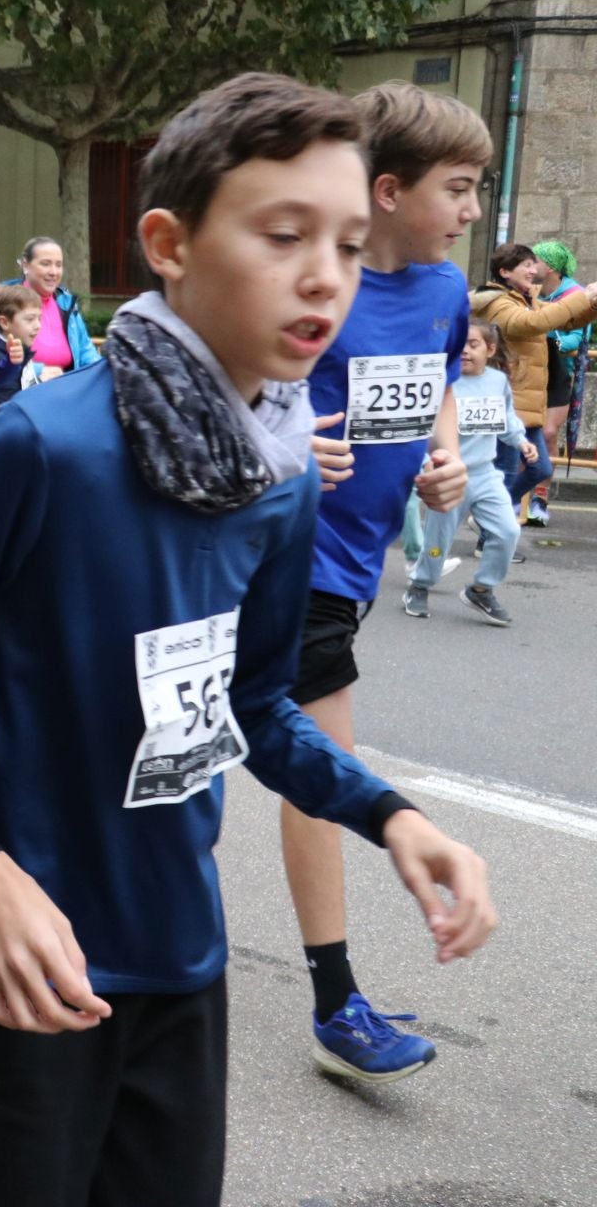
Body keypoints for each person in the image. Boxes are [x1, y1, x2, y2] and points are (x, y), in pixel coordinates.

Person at [0, 72, 497, 1207]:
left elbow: (258, 705)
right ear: (170, 243)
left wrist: (392, 815)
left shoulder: (279, 478)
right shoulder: (41, 449)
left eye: (345, 240)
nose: (325, 272)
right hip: (23, 957)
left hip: (181, 943)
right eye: (283, 235)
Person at [274, 79, 485, 1083]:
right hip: (282, 559)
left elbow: (439, 381)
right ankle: (333, 999)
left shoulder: (447, 290)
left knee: (179, 747)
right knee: (322, 771)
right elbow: (231, 390)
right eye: (462, 186)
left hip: (356, 563)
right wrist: (285, 452)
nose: (475, 209)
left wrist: (443, 459)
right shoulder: (320, 282)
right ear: (391, 189)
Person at [403, 317, 528, 625]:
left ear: (491, 348)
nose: (466, 352)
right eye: (460, 345)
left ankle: (482, 588)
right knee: (437, 544)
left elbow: (507, 418)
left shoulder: (498, 381)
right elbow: (421, 425)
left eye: (473, 345)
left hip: (486, 474)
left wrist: (522, 441)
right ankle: (419, 585)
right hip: (448, 473)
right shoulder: (442, 381)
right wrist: (424, 461)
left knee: (508, 531)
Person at [471, 241, 594, 535]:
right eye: (525, 265)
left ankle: (485, 512)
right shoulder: (498, 302)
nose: (533, 269)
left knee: (540, 470)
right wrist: (582, 295)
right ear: (504, 271)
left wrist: (592, 303)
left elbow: (564, 316)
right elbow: (533, 323)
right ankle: (488, 536)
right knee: (507, 471)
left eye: (533, 263)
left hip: (528, 405)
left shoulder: (523, 298)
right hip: (507, 403)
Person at [528, 240, 587, 525]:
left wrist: (545, 336)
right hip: (528, 372)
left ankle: (539, 498)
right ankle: (518, 496)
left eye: (533, 261)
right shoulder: (528, 289)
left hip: (559, 373)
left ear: (548, 267)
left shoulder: (575, 294)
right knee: (524, 435)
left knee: (549, 434)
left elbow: (576, 338)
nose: (528, 267)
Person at [10, 236, 101, 378]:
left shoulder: (67, 303)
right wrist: (37, 371)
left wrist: (102, 373)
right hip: (22, 392)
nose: (53, 272)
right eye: (45, 264)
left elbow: (86, 351)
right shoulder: (5, 301)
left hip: (67, 391)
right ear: (25, 265)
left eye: (58, 265)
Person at [0, 283, 42, 403]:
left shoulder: (23, 350)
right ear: (5, 323)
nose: (38, 326)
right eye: (30, 319)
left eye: (39, 319)